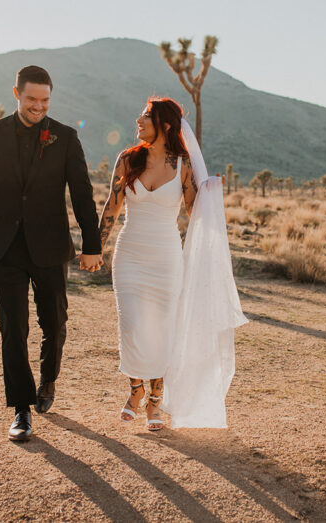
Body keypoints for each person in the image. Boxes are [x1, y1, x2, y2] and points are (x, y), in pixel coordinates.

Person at [0, 65, 103, 442]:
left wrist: (92, 245)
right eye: (31, 99)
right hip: (4, 248)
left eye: (45, 100)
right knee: (13, 327)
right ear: (16, 94)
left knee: (54, 322)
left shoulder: (66, 137)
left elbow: (83, 195)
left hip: (51, 246)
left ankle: (49, 380)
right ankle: (21, 409)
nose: (38, 106)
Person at [99, 96, 247, 431]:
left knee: (163, 330)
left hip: (166, 257)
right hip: (130, 255)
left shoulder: (183, 165)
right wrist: (96, 248)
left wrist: (211, 196)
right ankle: (135, 390)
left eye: (146, 115)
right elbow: (112, 206)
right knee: (133, 324)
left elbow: (195, 214)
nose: (138, 120)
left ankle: (154, 403)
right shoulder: (127, 159)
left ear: (164, 124)